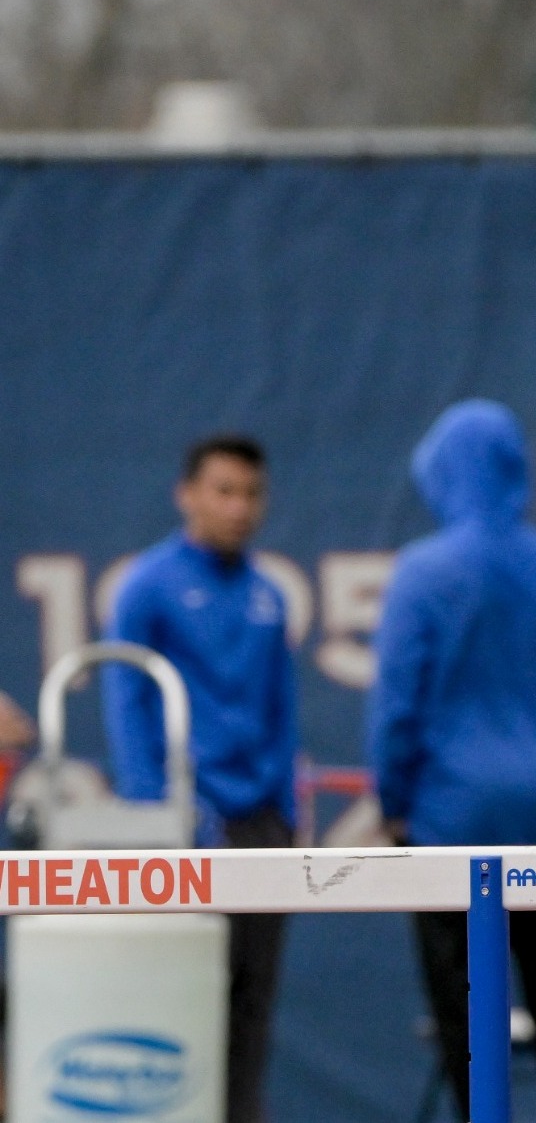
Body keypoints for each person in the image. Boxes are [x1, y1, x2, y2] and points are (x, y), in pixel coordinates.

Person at [369, 400, 536, 1123]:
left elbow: (396, 706)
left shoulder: (422, 573)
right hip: (533, 814)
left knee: (461, 1002)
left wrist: (394, 802)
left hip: (446, 818)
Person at [103, 434, 296, 1123]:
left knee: (253, 1002)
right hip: (185, 828)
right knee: (183, 998)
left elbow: (282, 707)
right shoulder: (147, 585)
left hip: (262, 830)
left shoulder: (269, 595)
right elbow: (126, 701)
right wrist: (154, 810)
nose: (239, 507)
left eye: (251, 493)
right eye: (223, 491)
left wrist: (281, 809)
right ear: (187, 495)